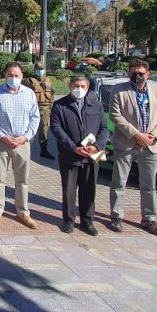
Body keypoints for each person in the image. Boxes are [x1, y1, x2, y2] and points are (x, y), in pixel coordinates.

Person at [109, 59, 157, 236]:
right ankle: (116, 216)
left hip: (151, 145)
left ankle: (149, 219)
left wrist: (154, 135)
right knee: (119, 182)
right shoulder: (118, 90)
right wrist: (136, 134)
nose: (137, 75)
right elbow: (115, 115)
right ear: (128, 73)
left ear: (148, 74)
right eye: (133, 72)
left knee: (149, 185)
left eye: (141, 73)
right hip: (126, 143)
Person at [50, 75, 109, 236]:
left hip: (92, 156)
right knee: (69, 190)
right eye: (76, 86)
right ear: (70, 86)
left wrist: (97, 146)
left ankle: (87, 221)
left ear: (88, 87)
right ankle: (69, 220)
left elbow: (104, 128)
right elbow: (56, 129)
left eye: (83, 86)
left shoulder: (96, 106)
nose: (79, 89)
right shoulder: (60, 105)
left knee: (89, 189)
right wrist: (73, 147)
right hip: (70, 156)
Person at [0, 62, 40, 229]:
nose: (13, 78)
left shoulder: (29, 94)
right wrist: (2, 136)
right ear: (5, 75)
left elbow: (35, 118)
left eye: (16, 75)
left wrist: (25, 137)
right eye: (10, 75)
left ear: (22, 76)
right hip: (2, 143)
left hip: (22, 144)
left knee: (22, 180)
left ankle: (22, 211)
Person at [23, 63, 55, 159]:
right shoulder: (28, 81)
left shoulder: (48, 80)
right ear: (35, 70)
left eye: (41, 69)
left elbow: (52, 93)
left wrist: (51, 106)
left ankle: (44, 150)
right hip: (33, 108)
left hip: (45, 109)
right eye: (38, 69)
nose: (40, 71)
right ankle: (26, 151)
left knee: (44, 130)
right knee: (30, 129)